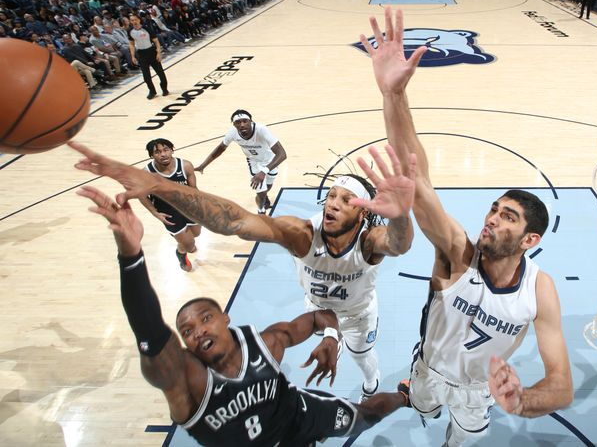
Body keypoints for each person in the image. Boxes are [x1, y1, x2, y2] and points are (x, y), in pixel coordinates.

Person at [358, 7, 574, 445]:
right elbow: (415, 178)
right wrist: (392, 97)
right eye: (494, 209)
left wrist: (521, 401)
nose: (492, 218)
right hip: (429, 368)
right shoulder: (458, 252)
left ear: (530, 240)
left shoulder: (540, 289)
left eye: (507, 216)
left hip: (477, 392)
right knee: (423, 403)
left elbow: (561, 386)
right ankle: (417, 399)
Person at [68, 140, 415, 403]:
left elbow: (399, 244)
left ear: (363, 214)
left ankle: (370, 386)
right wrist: (158, 185)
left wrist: (401, 213)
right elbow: (234, 220)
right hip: (317, 310)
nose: (334, 203)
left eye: (346, 200)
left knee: (364, 358)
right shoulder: (302, 234)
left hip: (357, 315)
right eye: (331, 196)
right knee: (287, 349)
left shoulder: (369, 242)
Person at [74, 185, 409, 446]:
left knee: (368, 408)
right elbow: (149, 330)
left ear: (226, 318)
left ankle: (398, 393)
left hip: (347, 329)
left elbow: (397, 243)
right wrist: (131, 254)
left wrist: (332, 337)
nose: (199, 331)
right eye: (187, 331)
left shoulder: (264, 344)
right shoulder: (185, 381)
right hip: (317, 309)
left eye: (205, 319)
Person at [196, 110, 287, 214]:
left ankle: (264, 197)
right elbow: (220, 149)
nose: (242, 124)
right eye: (238, 122)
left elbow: (282, 154)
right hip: (254, 162)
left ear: (251, 121)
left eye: (245, 121)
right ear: (234, 124)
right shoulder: (232, 133)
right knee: (261, 191)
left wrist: (264, 171)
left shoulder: (261, 130)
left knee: (268, 187)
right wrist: (203, 165)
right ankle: (261, 211)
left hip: (271, 160)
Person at [139, 138, 202, 271]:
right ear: (151, 155)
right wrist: (154, 212)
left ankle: (183, 245)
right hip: (168, 211)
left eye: (166, 150)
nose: (163, 154)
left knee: (196, 234)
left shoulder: (185, 165)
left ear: (172, 150)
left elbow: (194, 189)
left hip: (188, 207)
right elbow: (141, 195)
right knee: (190, 246)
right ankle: (181, 253)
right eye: (157, 152)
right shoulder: (146, 174)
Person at [128, 14, 170, 99]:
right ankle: (152, 91)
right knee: (146, 76)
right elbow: (131, 44)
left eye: (135, 19)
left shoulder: (146, 28)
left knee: (160, 73)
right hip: (141, 54)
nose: (134, 22)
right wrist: (132, 56)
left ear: (139, 20)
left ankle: (164, 89)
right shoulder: (130, 31)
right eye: (132, 20)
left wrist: (158, 52)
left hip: (151, 51)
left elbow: (156, 41)